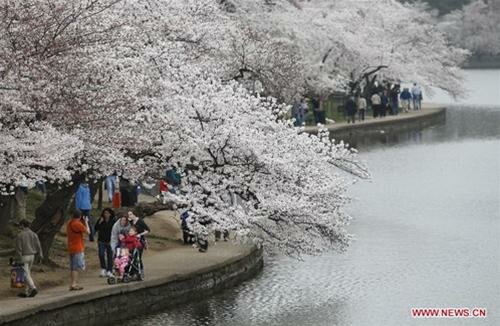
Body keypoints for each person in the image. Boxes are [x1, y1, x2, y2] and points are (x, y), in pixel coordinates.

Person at [15, 219, 43, 298]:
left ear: (23, 225)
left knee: (25, 274)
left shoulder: (20, 235)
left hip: (24, 256)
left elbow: (18, 249)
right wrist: (40, 254)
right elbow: (38, 245)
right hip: (32, 256)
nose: (19, 227)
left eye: (20, 225)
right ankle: (25, 291)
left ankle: (33, 288)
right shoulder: (34, 234)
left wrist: (18, 259)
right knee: (27, 273)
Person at [67, 209, 90, 291]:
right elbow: (88, 232)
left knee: (73, 267)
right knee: (76, 267)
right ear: (80, 216)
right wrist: (86, 222)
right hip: (78, 247)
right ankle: (74, 284)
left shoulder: (69, 223)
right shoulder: (78, 224)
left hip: (71, 247)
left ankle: (72, 283)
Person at [94, 208, 115, 277]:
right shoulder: (101, 220)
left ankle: (110, 270)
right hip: (101, 241)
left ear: (110, 214)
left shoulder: (113, 221)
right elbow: (96, 228)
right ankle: (103, 268)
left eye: (107, 213)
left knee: (110, 256)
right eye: (105, 213)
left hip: (110, 241)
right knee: (101, 254)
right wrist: (99, 223)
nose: (106, 215)